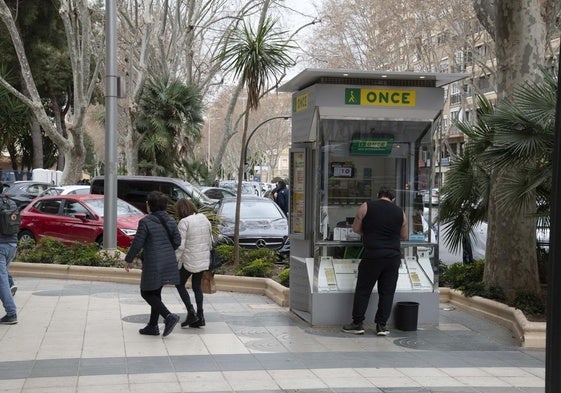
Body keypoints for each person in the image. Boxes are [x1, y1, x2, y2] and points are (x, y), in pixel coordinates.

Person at [342, 186, 408, 336]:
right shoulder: (400, 212)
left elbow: (356, 228)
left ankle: (358, 323)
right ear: (393, 199)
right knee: (387, 292)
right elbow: (404, 235)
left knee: (363, 290)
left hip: (372, 255)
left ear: (378, 196)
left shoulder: (366, 206)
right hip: (392, 257)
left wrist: (371, 232)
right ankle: (382, 326)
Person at [124, 191, 181, 337]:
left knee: (146, 292)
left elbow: (138, 243)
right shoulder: (170, 220)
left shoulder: (146, 222)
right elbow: (177, 241)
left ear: (149, 205)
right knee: (155, 292)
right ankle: (152, 326)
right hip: (168, 260)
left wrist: (129, 259)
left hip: (153, 262)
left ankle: (168, 316)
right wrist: (166, 251)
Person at [174, 199, 212, 328]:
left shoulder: (184, 223)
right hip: (203, 258)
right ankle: (200, 316)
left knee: (179, 284)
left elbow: (180, 246)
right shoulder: (204, 218)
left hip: (190, 260)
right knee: (196, 286)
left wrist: (175, 261)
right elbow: (210, 240)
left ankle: (191, 312)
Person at [0, 197, 18, 324]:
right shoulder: (10, 202)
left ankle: (11, 313)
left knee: (2, 281)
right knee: (3, 277)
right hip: (12, 245)